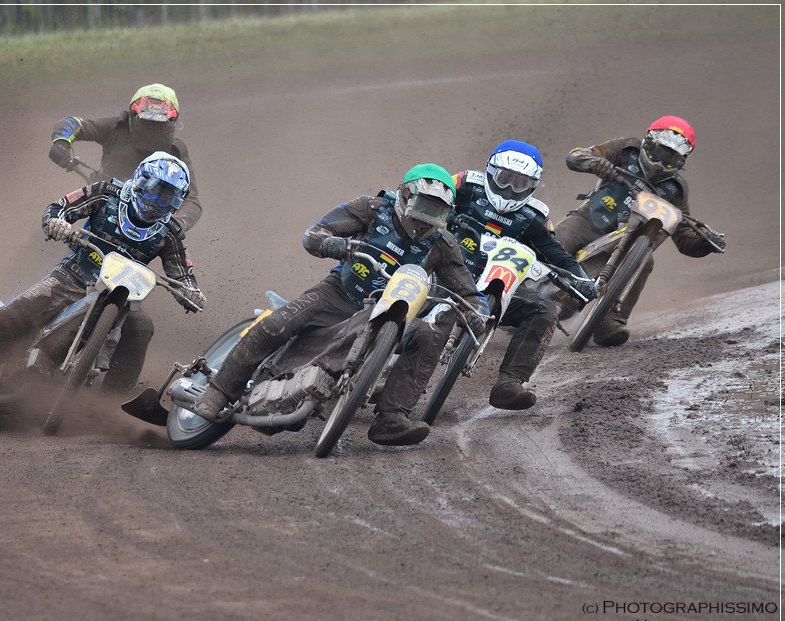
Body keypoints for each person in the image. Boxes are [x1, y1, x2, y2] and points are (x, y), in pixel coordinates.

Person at [190, 164, 488, 446]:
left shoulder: (443, 244)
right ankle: (218, 392)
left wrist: (477, 312)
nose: (426, 220)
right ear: (405, 195)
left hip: (394, 313)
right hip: (337, 294)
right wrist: (331, 243)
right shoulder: (372, 208)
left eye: (436, 212)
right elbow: (314, 234)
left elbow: (470, 292)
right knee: (276, 323)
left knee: (427, 335)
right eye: (424, 207)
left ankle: (392, 418)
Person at [0, 152, 205, 400]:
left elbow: (183, 273)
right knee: (13, 317)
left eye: (167, 197)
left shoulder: (170, 233)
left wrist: (190, 292)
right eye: (155, 189)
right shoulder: (107, 193)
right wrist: (58, 222)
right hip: (72, 278)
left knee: (142, 327)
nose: (157, 200)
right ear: (141, 181)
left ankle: (112, 403)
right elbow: (59, 207)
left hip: (120, 301)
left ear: (176, 202)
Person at [442, 140, 597, 410]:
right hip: (441, 270)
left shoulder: (536, 216)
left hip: (498, 286)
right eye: (504, 179)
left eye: (520, 184)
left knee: (543, 309)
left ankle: (509, 383)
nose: (510, 189)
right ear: (490, 171)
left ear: (533, 186)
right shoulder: (464, 184)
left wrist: (581, 279)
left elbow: (556, 253)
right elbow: (425, 200)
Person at [554, 115, 726, 346]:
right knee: (556, 241)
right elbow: (575, 156)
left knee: (646, 262)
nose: (661, 162)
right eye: (659, 153)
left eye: (670, 159)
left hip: (631, 241)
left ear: (682, 161)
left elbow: (684, 238)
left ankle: (611, 320)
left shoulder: (676, 188)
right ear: (647, 144)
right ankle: (519, 287)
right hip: (588, 220)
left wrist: (706, 243)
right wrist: (596, 163)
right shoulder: (627, 149)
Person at [48, 83, 202, 232]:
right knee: (68, 228)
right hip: (103, 202)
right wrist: (61, 143)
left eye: (157, 126)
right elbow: (72, 124)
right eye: (147, 123)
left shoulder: (175, 151)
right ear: (132, 117)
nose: (151, 131)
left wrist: (176, 225)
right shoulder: (116, 128)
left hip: (150, 222)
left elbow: (192, 201)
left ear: (172, 124)